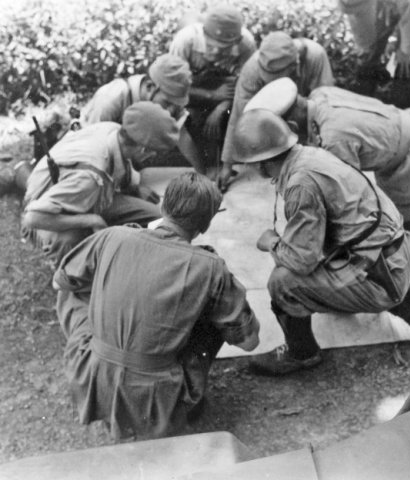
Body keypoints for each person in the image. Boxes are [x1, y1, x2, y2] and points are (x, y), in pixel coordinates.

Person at [53, 172, 260, 440]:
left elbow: (59, 282)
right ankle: (182, 404)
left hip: (91, 374)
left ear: (163, 208)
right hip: (157, 396)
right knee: (215, 318)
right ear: (205, 226)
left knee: (71, 291)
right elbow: (250, 342)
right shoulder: (211, 268)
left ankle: (105, 391)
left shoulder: (112, 235)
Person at [231, 109, 410, 376]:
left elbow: (301, 261)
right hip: (392, 254)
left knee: (283, 282)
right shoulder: (309, 155)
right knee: (313, 260)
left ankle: (302, 353)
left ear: (261, 162)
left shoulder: (301, 184)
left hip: (380, 272)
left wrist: (272, 242)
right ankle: (396, 294)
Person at [244, 78, 410, 230]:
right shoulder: (321, 94)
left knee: (403, 223)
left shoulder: (334, 140)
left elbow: (348, 199)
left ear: (292, 126)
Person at [22, 102, 178, 265]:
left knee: (156, 217)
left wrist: (134, 186)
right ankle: (73, 274)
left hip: (86, 197)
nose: (153, 156)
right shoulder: (90, 176)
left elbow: (120, 166)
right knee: (70, 240)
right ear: (143, 149)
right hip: (48, 215)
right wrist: (92, 220)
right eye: (154, 151)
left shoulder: (112, 130)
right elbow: (33, 218)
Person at [218, 31, 335, 191]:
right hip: (278, 126)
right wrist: (226, 165)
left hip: (307, 114)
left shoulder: (315, 56)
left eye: (275, 75)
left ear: (294, 66)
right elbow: (240, 117)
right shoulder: (252, 69)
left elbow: (324, 103)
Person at [82, 54, 205, 173]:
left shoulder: (167, 98)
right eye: (167, 102)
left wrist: (203, 175)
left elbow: (182, 136)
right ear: (151, 87)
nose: (171, 110)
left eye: (176, 104)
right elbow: (93, 149)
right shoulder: (111, 99)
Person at [169, 3, 256, 168]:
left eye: (224, 48)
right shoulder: (184, 41)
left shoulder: (246, 44)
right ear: (203, 33)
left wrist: (221, 108)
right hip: (192, 90)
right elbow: (173, 87)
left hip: (227, 91)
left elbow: (246, 85)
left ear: (237, 41)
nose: (216, 52)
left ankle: (230, 159)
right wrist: (211, 95)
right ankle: (202, 165)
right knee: (190, 120)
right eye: (211, 45)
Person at [338, 0, 410, 105]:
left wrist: (407, 50)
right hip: (381, 5)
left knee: (406, 62)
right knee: (369, 52)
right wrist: (368, 46)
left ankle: (401, 102)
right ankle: (366, 97)